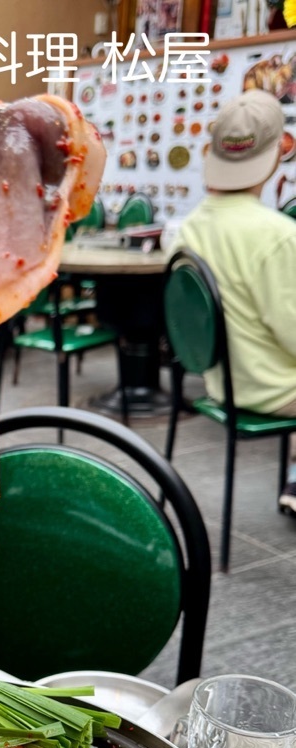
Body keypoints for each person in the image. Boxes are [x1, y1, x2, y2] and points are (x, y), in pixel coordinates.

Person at [171, 89, 296, 515]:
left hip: (221, 382)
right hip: (272, 389)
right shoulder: (278, 235)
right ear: (278, 152)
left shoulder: (189, 226)